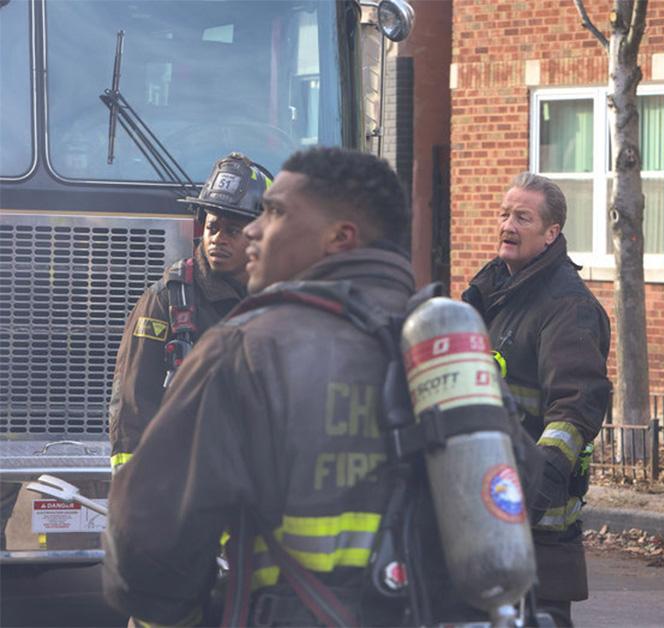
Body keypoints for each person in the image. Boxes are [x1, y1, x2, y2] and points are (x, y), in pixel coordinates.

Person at [103, 147, 514, 626]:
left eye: (275, 213)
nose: (254, 229)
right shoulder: (447, 349)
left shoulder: (243, 349)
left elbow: (143, 555)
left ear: (338, 237)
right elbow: (509, 505)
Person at [462, 172, 612, 626]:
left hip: (536, 526)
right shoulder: (490, 292)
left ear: (551, 234)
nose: (508, 224)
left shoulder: (568, 307)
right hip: (479, 509)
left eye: (523, 217)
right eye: (505, 213)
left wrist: (536, 485)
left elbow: (575, 406)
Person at [107, 152, 269, 472]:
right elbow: (133, 402)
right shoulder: (167, 300)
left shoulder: (277, 301)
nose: (217, 239)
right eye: (212, 227)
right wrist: (132, 485)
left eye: (232, 231)